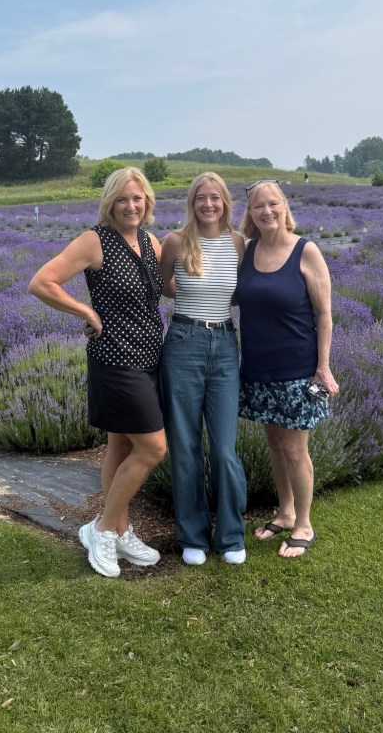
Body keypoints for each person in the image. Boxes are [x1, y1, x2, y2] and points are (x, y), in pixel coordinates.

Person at [28, 167, 165, 578]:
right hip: (116, 359)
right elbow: (42, 282)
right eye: (122, 199)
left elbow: (166, 286)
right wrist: (85, 310)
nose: (131, 205)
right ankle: (102, 528)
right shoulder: (94, 241)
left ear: (147, 202)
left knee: (121, 447)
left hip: (152, 356)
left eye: (137, 198)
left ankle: (120, 531)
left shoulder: (150, 240)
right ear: (109, 202)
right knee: (153, 448)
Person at [235, 180, 339, 559]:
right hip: (259, 368)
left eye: (273, 204)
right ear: (250, 212)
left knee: (296, 449)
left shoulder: (305, 250)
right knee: (275, 444)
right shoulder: (246, 251)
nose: (266, 211)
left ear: (284, 207)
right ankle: (284, 511)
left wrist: (323, 368)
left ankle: (304, 525)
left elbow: (324, 313)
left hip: (298, 369)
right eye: (258, 206)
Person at [160, 173, 247, 566]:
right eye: (201, 198)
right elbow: (163, 285)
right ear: (191, 202)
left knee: (225, 449)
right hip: (184, 343)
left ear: (225, 202)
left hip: (226, 344)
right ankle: (192, 535)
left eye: (215, 198)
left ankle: (230, 536)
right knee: (186, 445)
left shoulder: (237, 243)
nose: (208, 204)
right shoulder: (176, 241)